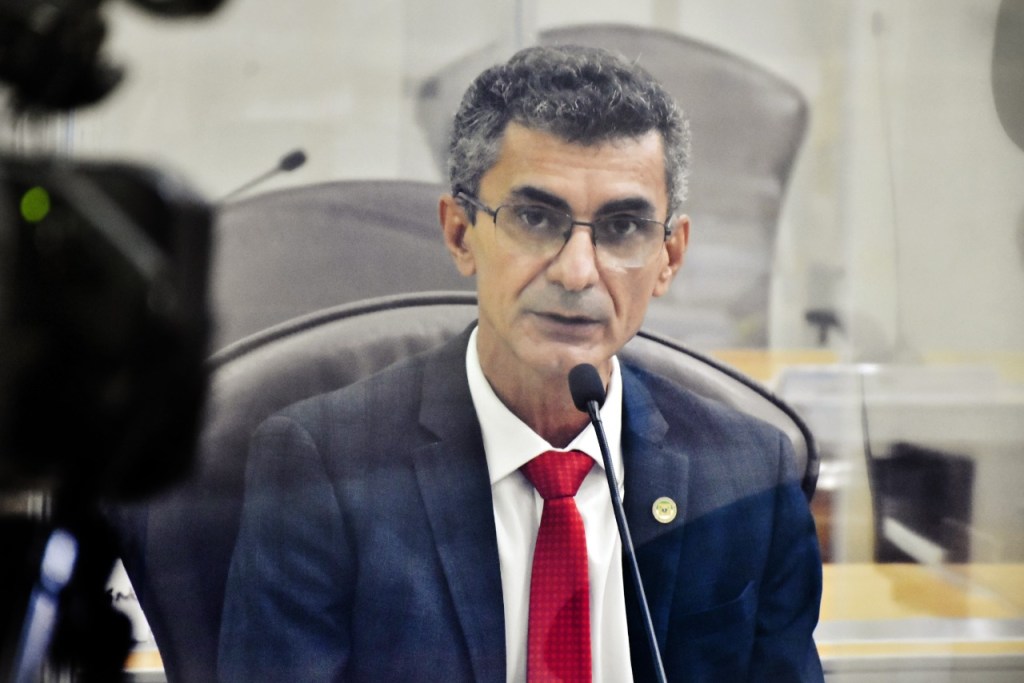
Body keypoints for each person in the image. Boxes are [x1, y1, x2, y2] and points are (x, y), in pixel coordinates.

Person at [218, 44, 823, 682]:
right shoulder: (325, 469)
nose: (577, 272)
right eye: (535, 218)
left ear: (669, 256)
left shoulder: (749, 475)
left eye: (622, 228)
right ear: (459, 233)